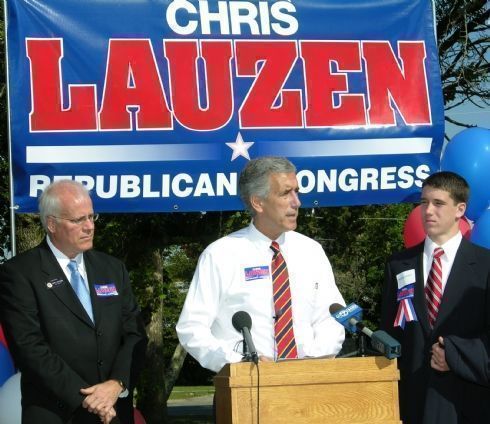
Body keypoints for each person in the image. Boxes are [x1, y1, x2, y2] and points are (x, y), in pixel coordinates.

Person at [176, 156, 345, 372]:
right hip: (246, 388)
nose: (297, 202)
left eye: (297, 191)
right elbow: (192, 329)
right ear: (258, 202)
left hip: (309, 384)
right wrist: (239, 363)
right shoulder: (220, 255)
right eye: (286, 193)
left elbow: (332, 317)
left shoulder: (311, 251)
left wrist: (315, 360)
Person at [0, 180, 147, 424]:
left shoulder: (112, 268)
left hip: (113, 410)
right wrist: (88, 398)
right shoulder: (20, 273)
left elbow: (134, 334)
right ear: (51, 224)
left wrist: (116, 384)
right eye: (78, 220)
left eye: (91, 217)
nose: (89, 227)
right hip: (57, 412)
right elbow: (29, 348)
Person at [380, 171, 490, 424]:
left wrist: (456, 355)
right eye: (423, 202)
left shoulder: (485, 266)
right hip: (411, 401)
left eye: (438, 203)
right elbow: (389, 331)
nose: (428, 211)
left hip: (467, 403)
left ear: (460, 209)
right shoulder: (398, 264)